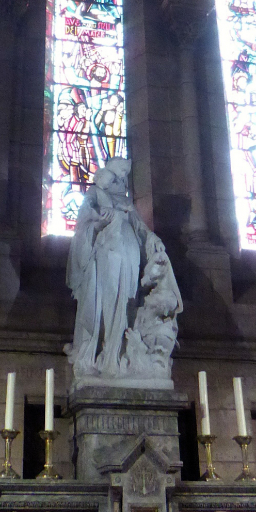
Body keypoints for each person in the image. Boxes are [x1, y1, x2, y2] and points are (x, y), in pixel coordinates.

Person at [65, 158, 165, 378]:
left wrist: (152, 237)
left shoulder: (126, 201)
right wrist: (98, 224)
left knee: (126, 302)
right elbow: (84, 222)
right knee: (108, 302)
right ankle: (106, 355)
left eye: (122, 177)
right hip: (107, 255)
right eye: (117, 176)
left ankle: (119, 355)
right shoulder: (95, 195)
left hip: (129, 255)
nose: (120, 181)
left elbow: (140, 226)